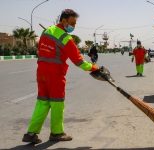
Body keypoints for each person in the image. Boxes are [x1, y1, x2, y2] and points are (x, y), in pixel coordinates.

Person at [22, 9, 109, 144]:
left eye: (75, 24)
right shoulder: (65, 38)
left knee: (42, 103)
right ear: (64, 21)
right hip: (55, 74)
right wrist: (94, 67)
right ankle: (57, 133)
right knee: (57, 103)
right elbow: (79, 61)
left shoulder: (46, 32)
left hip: (41, 72)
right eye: (72, 23)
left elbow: (42, 50)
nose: (73, 27)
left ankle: (31, 133)